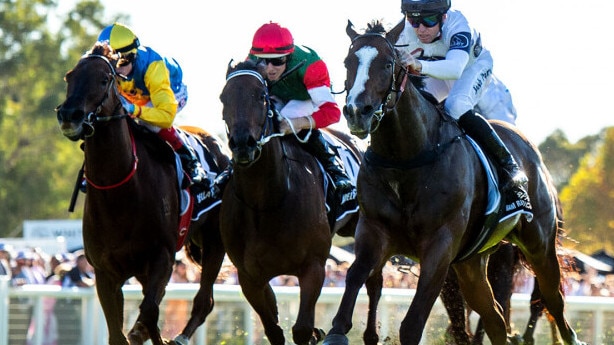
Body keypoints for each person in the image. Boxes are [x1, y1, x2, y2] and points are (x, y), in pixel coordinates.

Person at [395, 0, 529, 203]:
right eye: (414, 21)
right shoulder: (403, 32)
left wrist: (418, 65)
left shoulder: (458, 25)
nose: (421, 29)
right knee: (417, 107)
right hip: (436, 70)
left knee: (456, 106)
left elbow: (455, 69)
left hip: (470, 68)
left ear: (444, 17)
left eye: (429, 20)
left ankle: (509, 165)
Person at [247, 21, 356, 216]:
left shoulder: (310, 65)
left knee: (286, 118)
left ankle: (337, 173)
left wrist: (301, 123)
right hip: (278, 96)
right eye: (263, 61)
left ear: (289, 56)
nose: (270, 68)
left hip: (306, 96)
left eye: (278, 61)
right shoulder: (251, 60)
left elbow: (333, 113)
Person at [97, 23, 208, 189]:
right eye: (111, 64)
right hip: (136, 94)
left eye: (121, 63)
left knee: (149, 123)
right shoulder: (116, 70)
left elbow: (166, 116)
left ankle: (190, 161)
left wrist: (134, 110)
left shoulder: (153, 67)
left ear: (132, 56)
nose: (116, 71)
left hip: (170, 92)